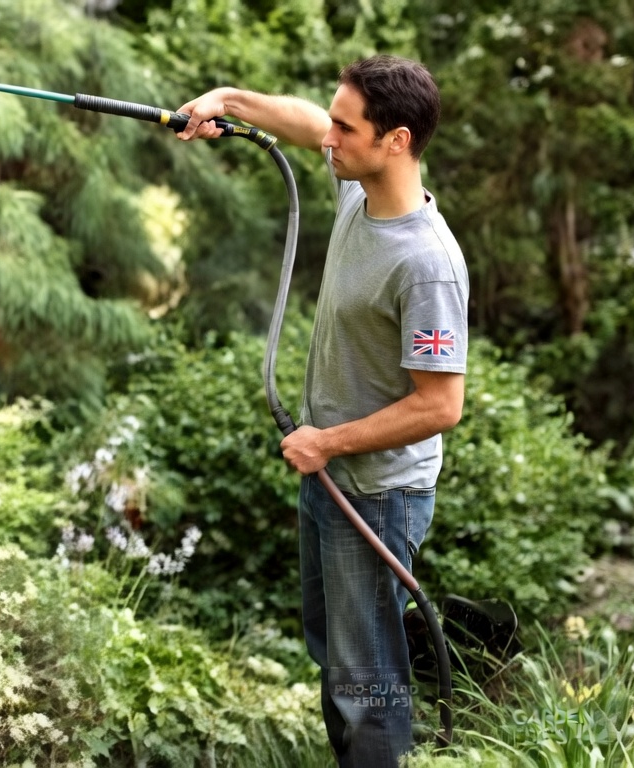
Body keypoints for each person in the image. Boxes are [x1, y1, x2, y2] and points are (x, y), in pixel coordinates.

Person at [175, 55, 468, 766]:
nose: (328, 138)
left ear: (395, 140)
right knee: (337, 659)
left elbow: (440, 405)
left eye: (346, 127)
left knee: (366, 684)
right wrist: (228, 96)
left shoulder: (425, 264)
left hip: (377, 491)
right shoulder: (357, 193)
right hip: (331, 477)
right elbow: (307, 124)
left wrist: (327, 443)